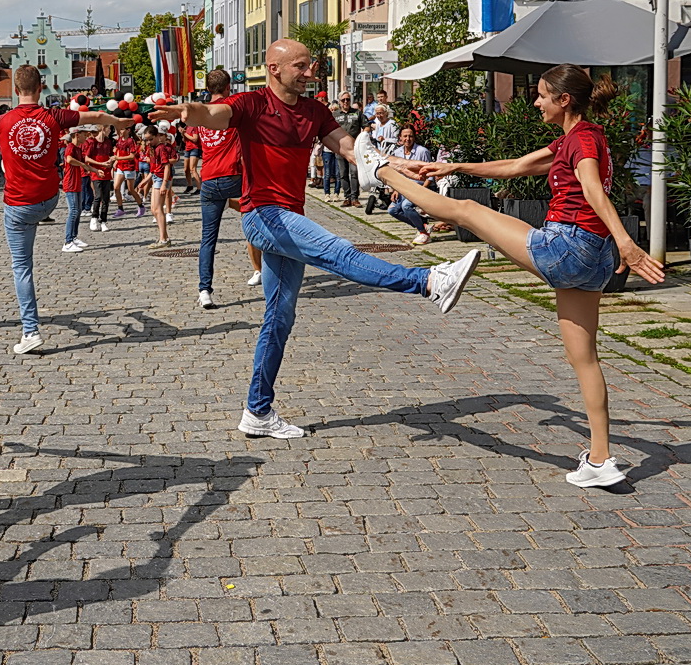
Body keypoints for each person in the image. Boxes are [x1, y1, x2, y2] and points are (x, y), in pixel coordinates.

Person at [156, 40, 481, 439]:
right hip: (263, 215)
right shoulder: (251, 104)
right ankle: (429, 282)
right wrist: (190, 112)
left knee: (279, 318)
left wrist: (399, 164)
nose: (311, 73)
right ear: (274, 69)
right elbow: (214, 113)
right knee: (337, 251)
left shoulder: (314, 111)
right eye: (302, 66)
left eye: (311, 66)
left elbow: (350, 150)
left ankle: (257, 412)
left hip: (290, 216)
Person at [368, 64, 664, 487]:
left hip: (568, 246)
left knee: (466, 211)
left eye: (542, 95)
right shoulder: (584, 136)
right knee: (585, 360)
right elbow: (517, 166)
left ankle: (379, 171)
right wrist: (457, 169)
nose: (536, 101)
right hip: (592, 257)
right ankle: (600, 460)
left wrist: (628, 243)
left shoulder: (579, 142)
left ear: (564, 100)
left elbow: (594, 188)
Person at [0, 66, 128, 352]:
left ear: (15, 90)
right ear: (40, 87)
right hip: (48, 200)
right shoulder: (54, 116)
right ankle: (67, 238)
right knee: (34, 234)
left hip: (19, 205)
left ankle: (30, 332)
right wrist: (117, 122)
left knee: (22, 267)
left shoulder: (0, 121)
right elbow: (95, 116)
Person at [194, 70, 263, 309]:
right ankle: (264, 272)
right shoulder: (231, 108)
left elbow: (193, 137)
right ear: (228, 87)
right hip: (234, 176)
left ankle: (205, 290)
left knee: (208, 239)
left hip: (210, 179)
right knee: (258, 222)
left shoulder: (203, 113)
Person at [384, 127, 435, 244]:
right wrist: (396, 189)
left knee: (406, 206)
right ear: (400, 138)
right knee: (392, 210)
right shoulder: (397, 153)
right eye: (405, 136)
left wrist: (422, 190)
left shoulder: (422, 151)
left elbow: (430, 175)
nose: (408, 139)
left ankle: (423, 232)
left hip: (419, 186)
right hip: (403, 187)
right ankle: (423, 225)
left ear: (414, 137)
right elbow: (397, 174)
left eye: (410, 136)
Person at [61, 126, 105, 252]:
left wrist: (96, 170)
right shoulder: (70, 147)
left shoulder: (78, 149)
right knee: (74, 211)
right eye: (84, 134)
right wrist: (81, 165)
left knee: (78, 210)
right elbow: (69, 160)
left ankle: (74, 238)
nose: (86, 137)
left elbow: (84, 164)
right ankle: (68, 241)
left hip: (77, 183)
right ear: (77, 135)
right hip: (70, 184)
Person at [147, 126, 180, 246]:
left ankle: (163, 239)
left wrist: (165, 184)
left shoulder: (162, 148)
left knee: (158, 209)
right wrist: (145, 181)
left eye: (150, 139)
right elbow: (153, 168)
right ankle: (164, 237)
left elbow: (167, 165)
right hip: (156, 177)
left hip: (161, 178)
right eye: (146, 140)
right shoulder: (153, 148)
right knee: (153, 209)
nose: (148, 142)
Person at [333, 94, 365, 206]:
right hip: (340, 148)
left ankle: (354, 197)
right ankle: (347, 197)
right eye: (343, 100)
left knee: (354, 173)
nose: (346, 101)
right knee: (343, 173)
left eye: (348, 99)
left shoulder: (357, 113)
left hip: (354, 149)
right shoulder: (335, 115)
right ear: (339, 101)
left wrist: (363, 136)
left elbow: (366, 126)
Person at [87, 125, 116, 232]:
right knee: (98, 196)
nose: (110, 131)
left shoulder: (108, 142)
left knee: (106, 199)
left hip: (107, 173)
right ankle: (94, 217)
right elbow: (87, 157)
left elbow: (111, 155)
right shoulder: (93, 142)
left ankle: (103, 220)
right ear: (103, 128)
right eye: (109, 128)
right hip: (96, 173)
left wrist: (111, 161)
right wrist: (100, 163)